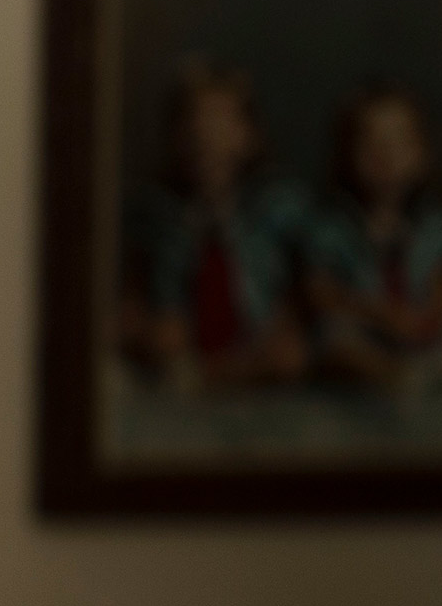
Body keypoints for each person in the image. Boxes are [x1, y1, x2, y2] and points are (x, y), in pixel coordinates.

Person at [118, 60, 313, 388]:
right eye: (193, 119)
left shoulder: (279, 207)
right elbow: (139, 281)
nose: (205, 133)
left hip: (258, 339)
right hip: (183, 335)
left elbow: (304, 275)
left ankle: (212, 377)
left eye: (221, 120)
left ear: (249, 134)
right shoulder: (154, 212)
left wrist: (288, 319)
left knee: (289, 356)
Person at [304, 79, 442, 384]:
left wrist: (430, 317)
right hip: (366, 325)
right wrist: (381, 314)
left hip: (417, 326)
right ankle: (390, 376)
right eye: (371, 144)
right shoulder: (331, 228)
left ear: (422, 152)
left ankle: (422, 372)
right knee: (336, 342)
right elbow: (321, 293)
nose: (386, 156)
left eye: (400, 143)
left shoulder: (434, 226)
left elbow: (441, 285)